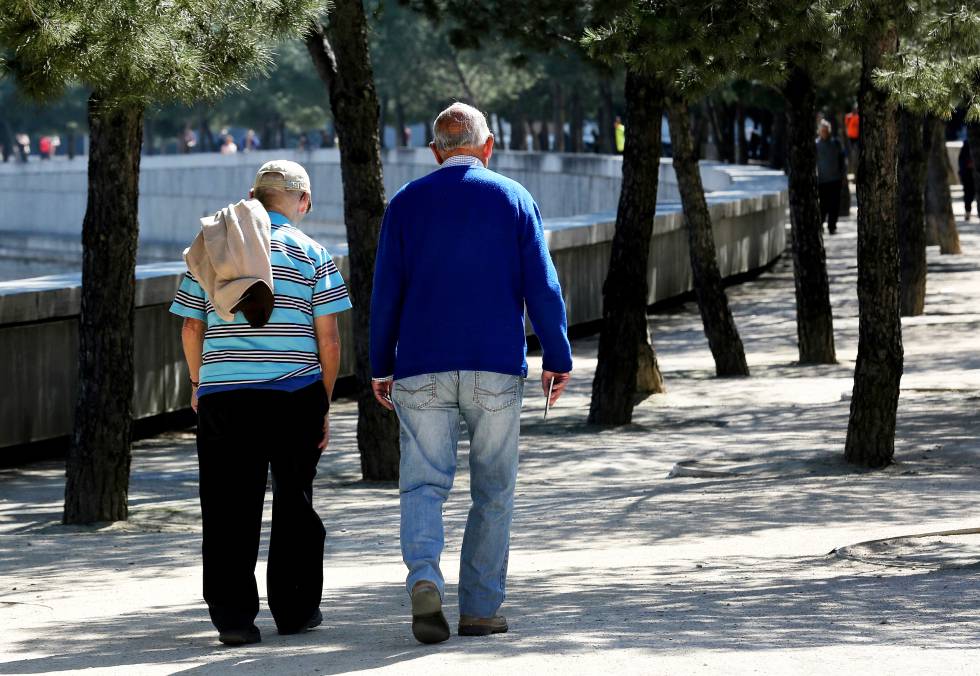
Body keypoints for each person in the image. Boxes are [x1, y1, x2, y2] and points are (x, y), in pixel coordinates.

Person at [370, 102, 573, 645]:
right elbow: (542, 286)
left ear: (436, 151)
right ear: (488, 146)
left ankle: (425, 580)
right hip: (495, 366)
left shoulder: (406, 203)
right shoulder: (513, 198)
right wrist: (558, 354)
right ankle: (481, 608)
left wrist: (379, 365)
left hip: (420, 366)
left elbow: (386, 290)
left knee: (422, 483)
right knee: (494, 488)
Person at [170, 160, 352, 646]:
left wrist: (198, 381)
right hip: (295, 396)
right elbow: (329, 340)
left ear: (253, 195)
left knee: (228, 507)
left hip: (225, 398)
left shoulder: (212, 248)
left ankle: (233, 619)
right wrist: (324, 401)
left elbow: (191, 326)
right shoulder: (314, 254)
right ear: (303, 201)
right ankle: (294, 610)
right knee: (295, 504)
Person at [816, 119, 846, 234]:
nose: (824, 132)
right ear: (819, 131)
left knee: (834, 204)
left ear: (829, 131)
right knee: (822, 205)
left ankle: (832, 226)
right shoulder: (816, 145)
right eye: (822, 130)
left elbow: (842, 161)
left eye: (826, 130)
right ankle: (820, 224)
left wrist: (843, 175)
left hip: (835, 179)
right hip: (822, 180)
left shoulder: (836, 143)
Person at [959, 139, 975, 220]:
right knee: (968, 194)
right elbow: (961, 159)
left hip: (972, 173)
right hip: (968, 174)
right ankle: (967, 212)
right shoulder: (968, 142)